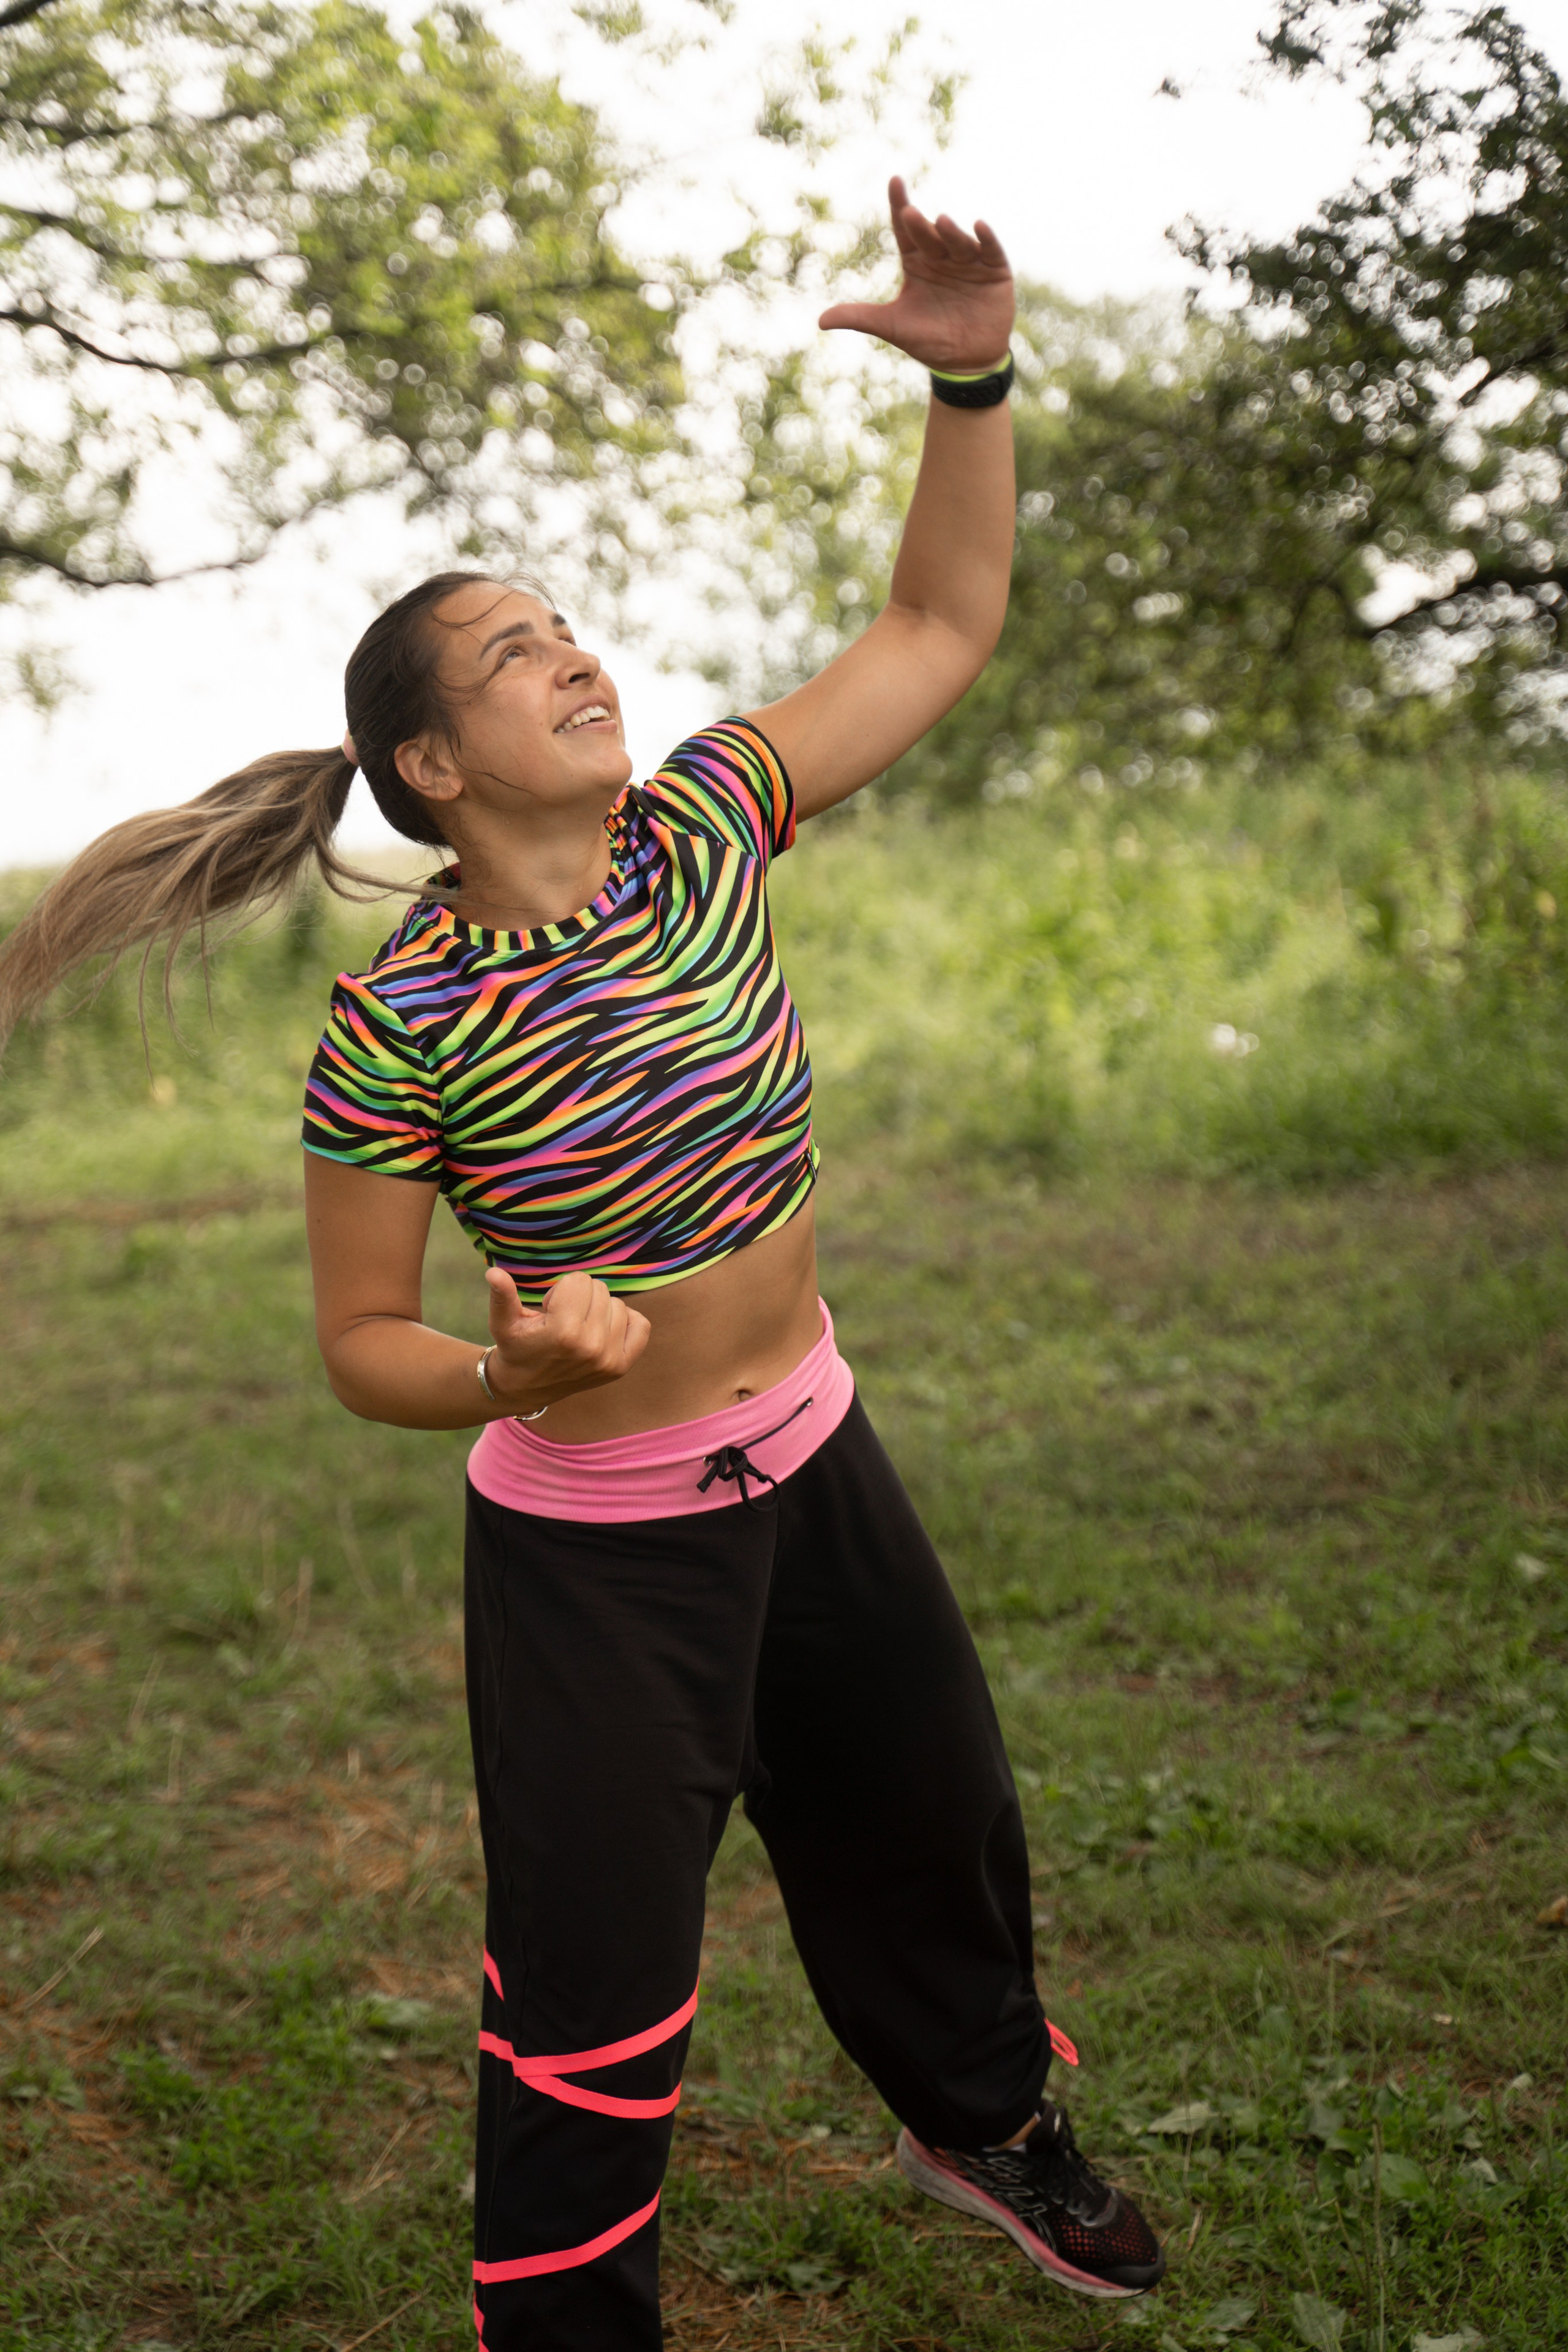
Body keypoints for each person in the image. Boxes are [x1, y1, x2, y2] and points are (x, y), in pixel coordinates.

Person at [0, 178, 1164, 2347]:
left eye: (570, 625)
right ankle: (559, 2319)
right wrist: (504, 1379)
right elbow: (363, 1342)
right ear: (433, 765)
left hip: (817, 1458)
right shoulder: (400, 1027)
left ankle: (982, 2122)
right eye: (519, 654)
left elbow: (943, 626)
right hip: (600, 1550)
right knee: (597, 1971)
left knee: (936, 1821)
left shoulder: (706, 829)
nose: (577, 655)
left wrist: (974, 373)